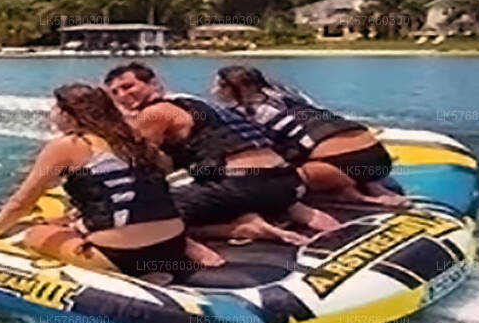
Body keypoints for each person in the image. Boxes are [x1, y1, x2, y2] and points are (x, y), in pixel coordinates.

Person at [104, 62, 338, 246]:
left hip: (244, 185)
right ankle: (290, 210)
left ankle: (238, 228)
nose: (123, 95)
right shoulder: (192, 102)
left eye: (128, 87)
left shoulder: (155, 113)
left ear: (153, 83)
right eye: (115, 93)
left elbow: (136, 163)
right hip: (285, 179)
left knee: (147, 217)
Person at [0, 83, 192, 280]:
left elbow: (21, 203)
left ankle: (128, 274)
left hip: (122, 255)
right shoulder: (136, 138)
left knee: (35, 235)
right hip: (172, 247)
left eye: (55, 108)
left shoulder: (69, 145)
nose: (52, 114)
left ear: (68, 115)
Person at [212, 65, 405, 206]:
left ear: (231, 89)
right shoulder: (287, 94)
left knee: (275, 175)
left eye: (218, 86)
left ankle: (354, 195)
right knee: (311, 145)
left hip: (340, 165)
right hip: (378, 156)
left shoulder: (242, 113)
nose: (213, 91)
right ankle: (374, 186)